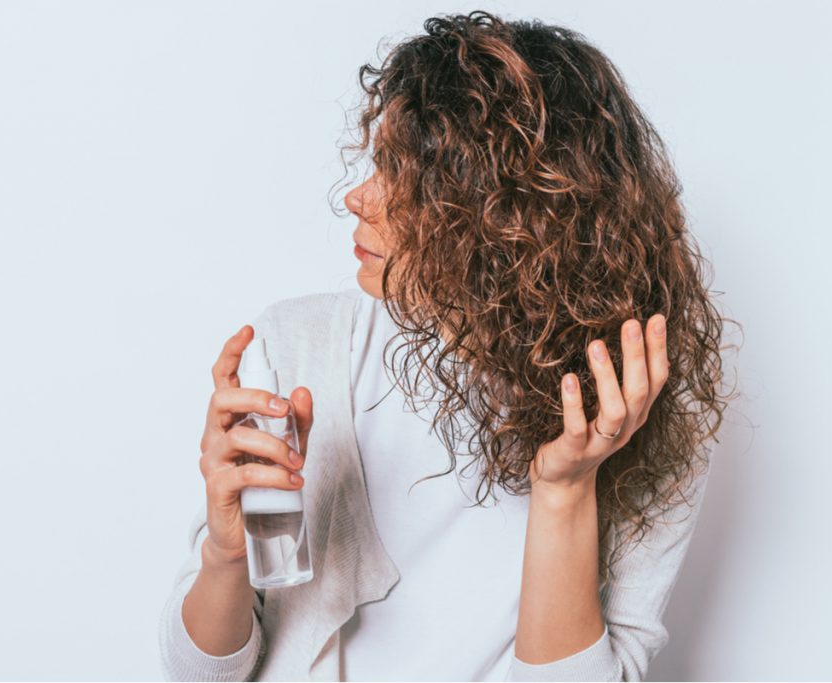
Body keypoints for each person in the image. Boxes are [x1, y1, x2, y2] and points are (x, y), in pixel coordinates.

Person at [159, 10, 735, 681]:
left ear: (505, 214)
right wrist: (226, 555)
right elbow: (197, 675)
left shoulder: (637, 411)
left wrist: (566, 491)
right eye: (376, 163)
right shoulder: (298, 347)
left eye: (403, 177)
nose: (357, 198)